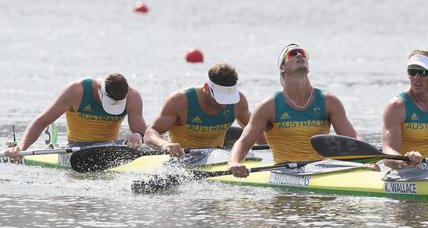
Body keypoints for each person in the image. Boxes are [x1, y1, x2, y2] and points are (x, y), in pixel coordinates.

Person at [228, 44, 359, 177]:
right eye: (292, 53)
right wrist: (234, 162)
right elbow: (243, 143)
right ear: (282, 67)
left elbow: (353, 138)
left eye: (302, 52)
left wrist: (370, 160)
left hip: (322, 170)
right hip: (285, 172)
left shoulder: (329, 101)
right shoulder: (268, 107)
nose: (299, 55)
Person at [5, 73, 146, 160]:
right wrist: (21, 148)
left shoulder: (132, 96)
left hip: (111, 147)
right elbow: (42, 122)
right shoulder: (76, 91)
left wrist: (139, 136)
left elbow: (145, 133)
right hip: (78, 150)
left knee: (130, 145)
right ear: (100, 90)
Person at [144, 63, 260, 157]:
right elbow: (150, 133)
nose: (225, 105)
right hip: (184, 158)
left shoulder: (239, 101)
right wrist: (164, 144)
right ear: (206, 88)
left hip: (217, 157)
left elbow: (257, 132)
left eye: (228, 99)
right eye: (220, 99)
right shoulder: (180, 101)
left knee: (249, 155)